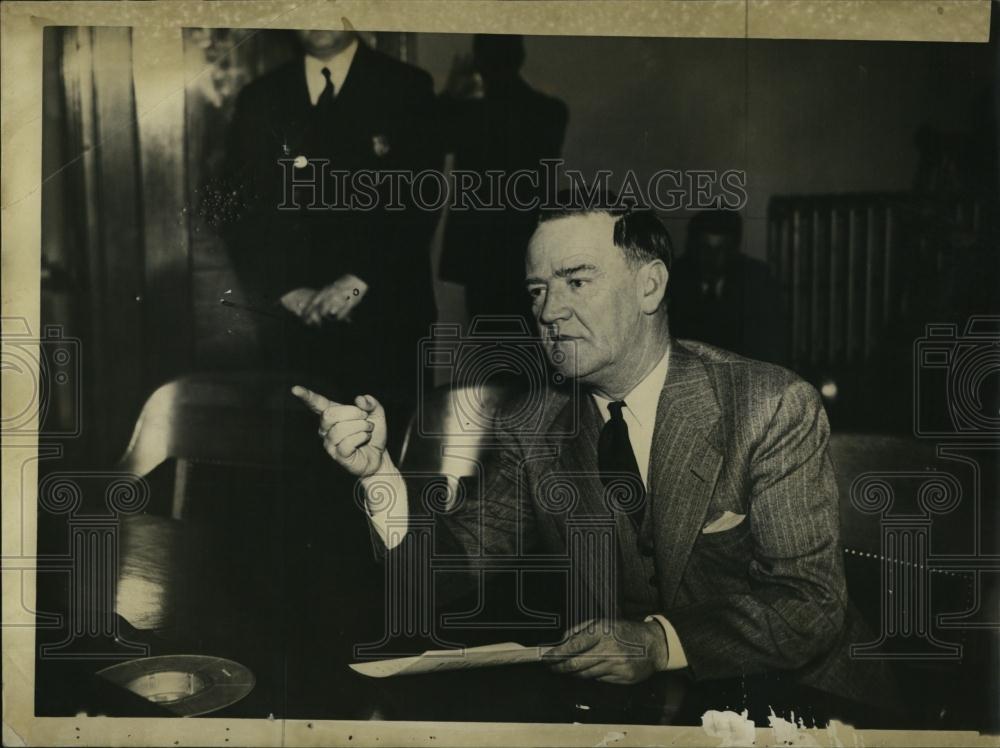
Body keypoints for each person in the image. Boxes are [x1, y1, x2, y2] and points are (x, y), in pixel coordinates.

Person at [292, 203, 889, 707]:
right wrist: (381, 475)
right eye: (537, 290)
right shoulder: (536, 426)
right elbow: (441, 579)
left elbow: (808, 607)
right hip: (652, 715)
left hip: (804, 704)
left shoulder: (770, 405)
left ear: (649, 285)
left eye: (576, 281)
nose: (549, 313)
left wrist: (657, 642)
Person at [217, 29, 442, 450]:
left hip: (386, 323)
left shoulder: (407, 87)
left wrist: (356, 281)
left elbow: (419, 204)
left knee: (388, 469)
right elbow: (239, 210)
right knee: (301, 476)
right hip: (292, 330)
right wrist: (287, 291)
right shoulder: (261, 96)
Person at [438, 34, 568, 325]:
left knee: (495, 346)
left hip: (480, 251)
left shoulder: (470, 114)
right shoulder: (549, 111)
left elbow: (427, 138)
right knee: (529, 344)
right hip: (525, 242)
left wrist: (451, 94)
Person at [669, 209, 784, 364]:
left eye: (720, 249)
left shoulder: (755, 282)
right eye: (705, 248)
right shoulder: (674, 280)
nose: (711, 257)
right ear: (694, 248)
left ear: (733, 251)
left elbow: (766, 347)